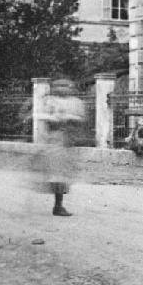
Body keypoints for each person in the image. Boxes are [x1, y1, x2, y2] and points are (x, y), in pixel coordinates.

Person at [34, 79, 84, 216]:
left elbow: (81, 118)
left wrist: (69, 117)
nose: (63, 89)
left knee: (63, 173)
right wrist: (53, 118)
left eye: (66, 86)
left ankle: (58, 205)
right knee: (57, 173)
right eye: (59, 86)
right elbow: (39, 115)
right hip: (55, 139)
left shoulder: (76, 101)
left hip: (68, 139)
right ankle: (58, 205)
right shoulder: (50, 100)